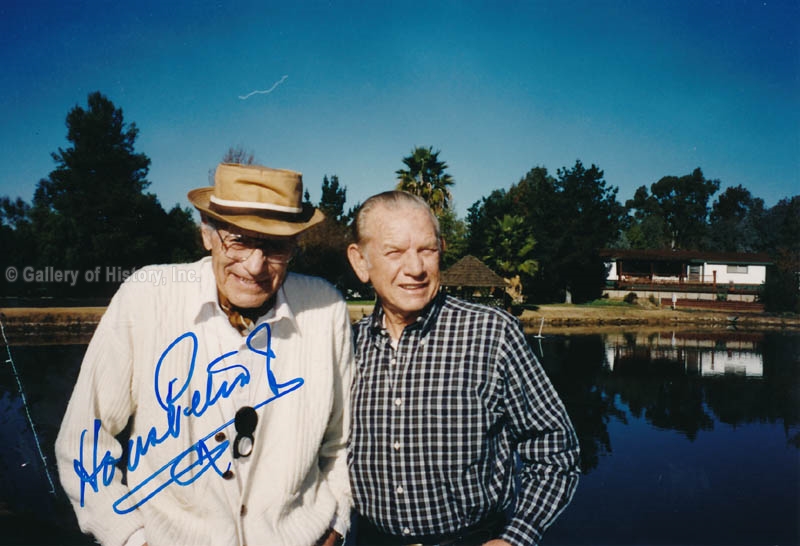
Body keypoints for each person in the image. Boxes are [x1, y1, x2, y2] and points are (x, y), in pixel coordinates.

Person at [56, 163, 353, 546]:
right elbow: (84, 442)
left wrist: (337, 523)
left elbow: (343, 443)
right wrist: (129, 537)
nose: (255, 266)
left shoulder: (326, 308)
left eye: (276, 245)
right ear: (207, 234)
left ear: (295, 245)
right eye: (239, 241)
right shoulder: (146, 297)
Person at [345, 191, 580, 546]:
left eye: (427, 250)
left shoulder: (492, 333)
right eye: (395, 252)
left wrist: (517, 537)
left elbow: (555, 449)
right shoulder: (346, 345)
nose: (415, 268)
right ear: (360, 262)